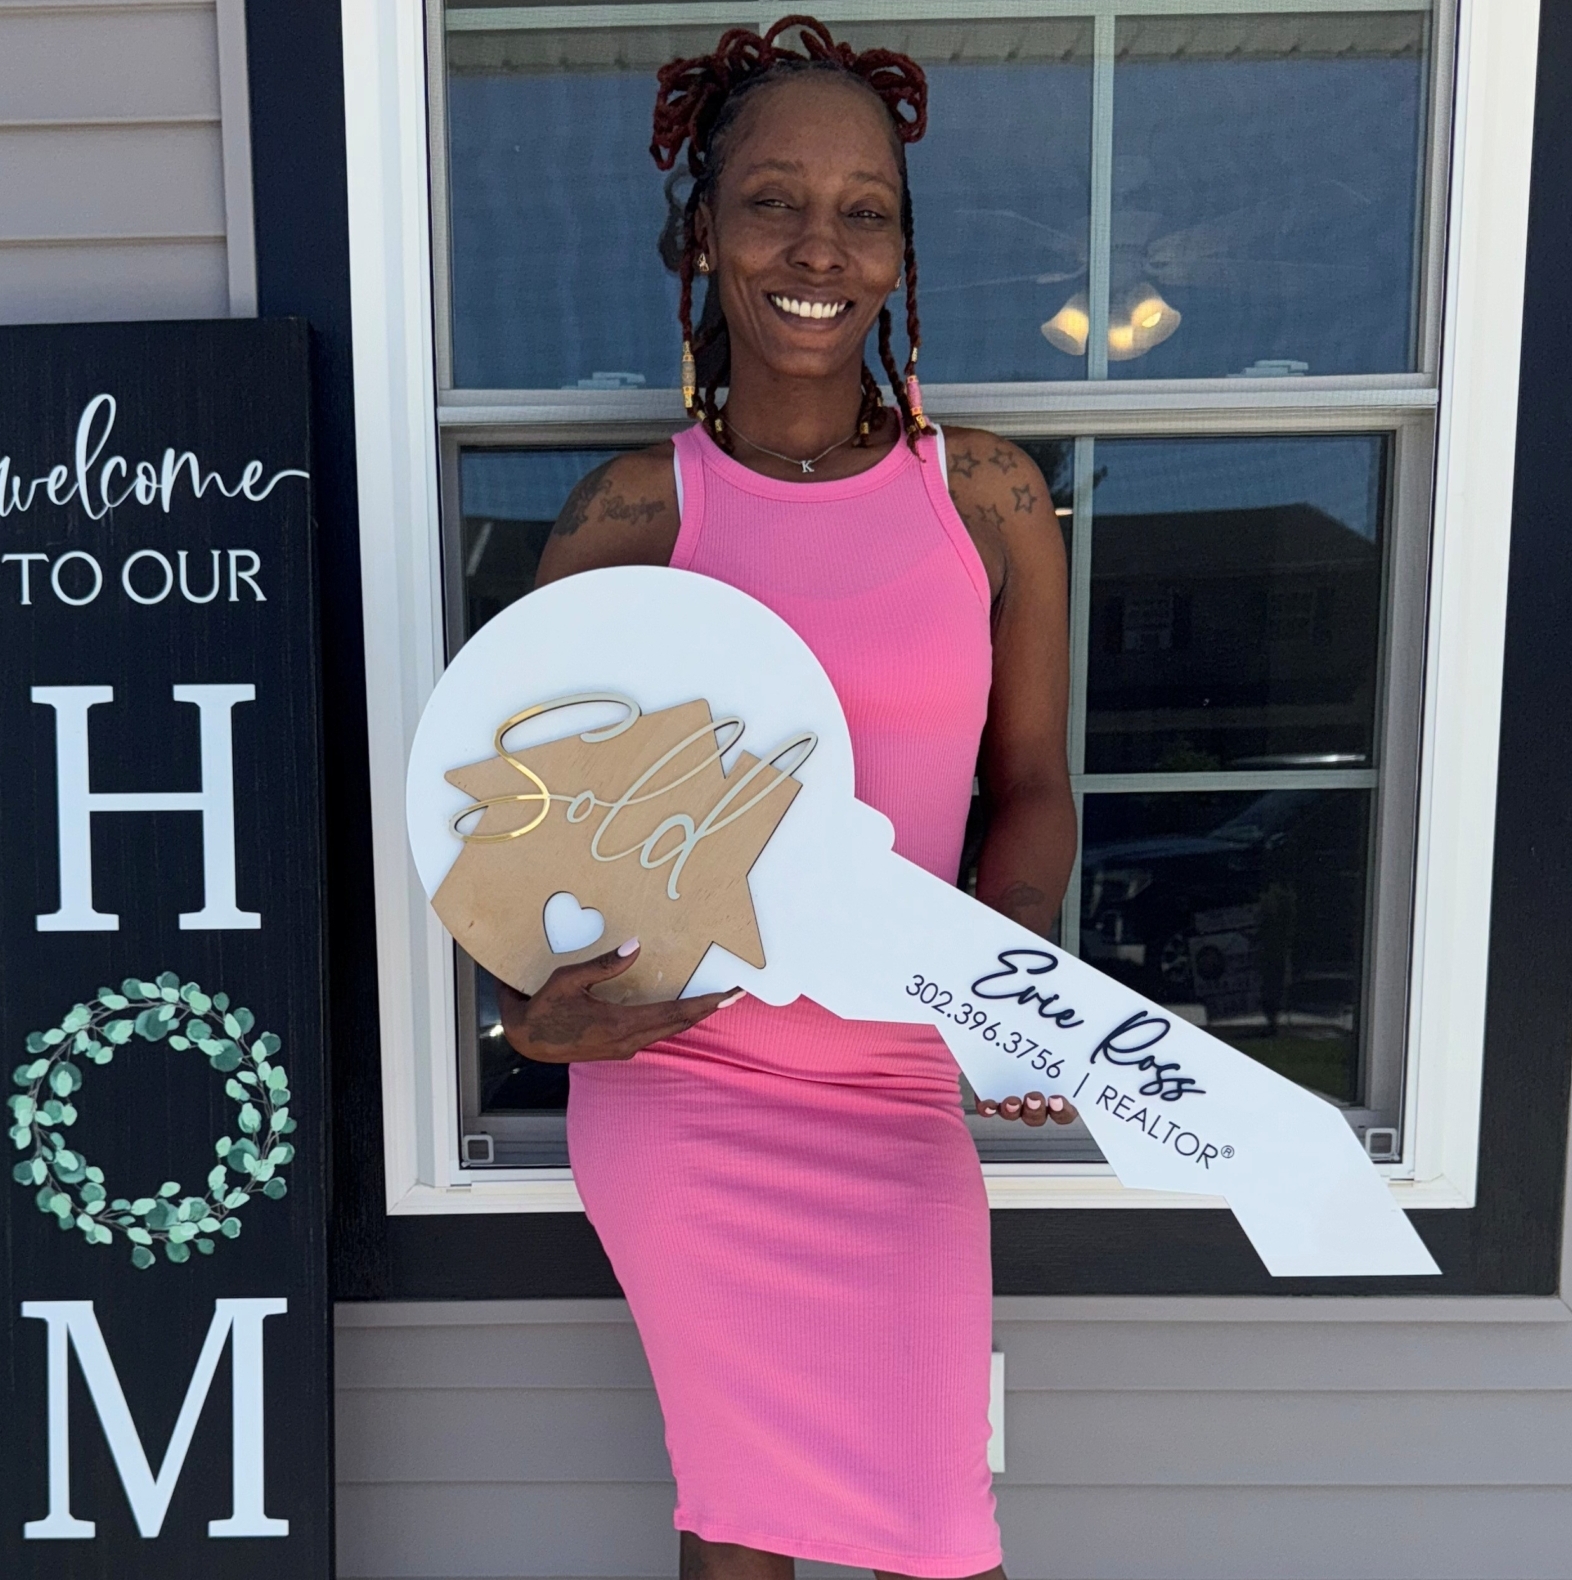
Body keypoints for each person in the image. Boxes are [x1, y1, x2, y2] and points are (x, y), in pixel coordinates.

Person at [499, 18, 1077, 1579]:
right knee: (739, 1517)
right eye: (769, 200)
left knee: (940, 1535)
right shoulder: (632, 517)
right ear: (703, 235)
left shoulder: (991, 503)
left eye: (863, 208)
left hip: (894, 1094)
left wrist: (1001, 990)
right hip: (685, 1086)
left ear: (900, 250)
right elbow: (510, 838)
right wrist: (527, 1016)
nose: (817, 244)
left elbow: (1027, 790)